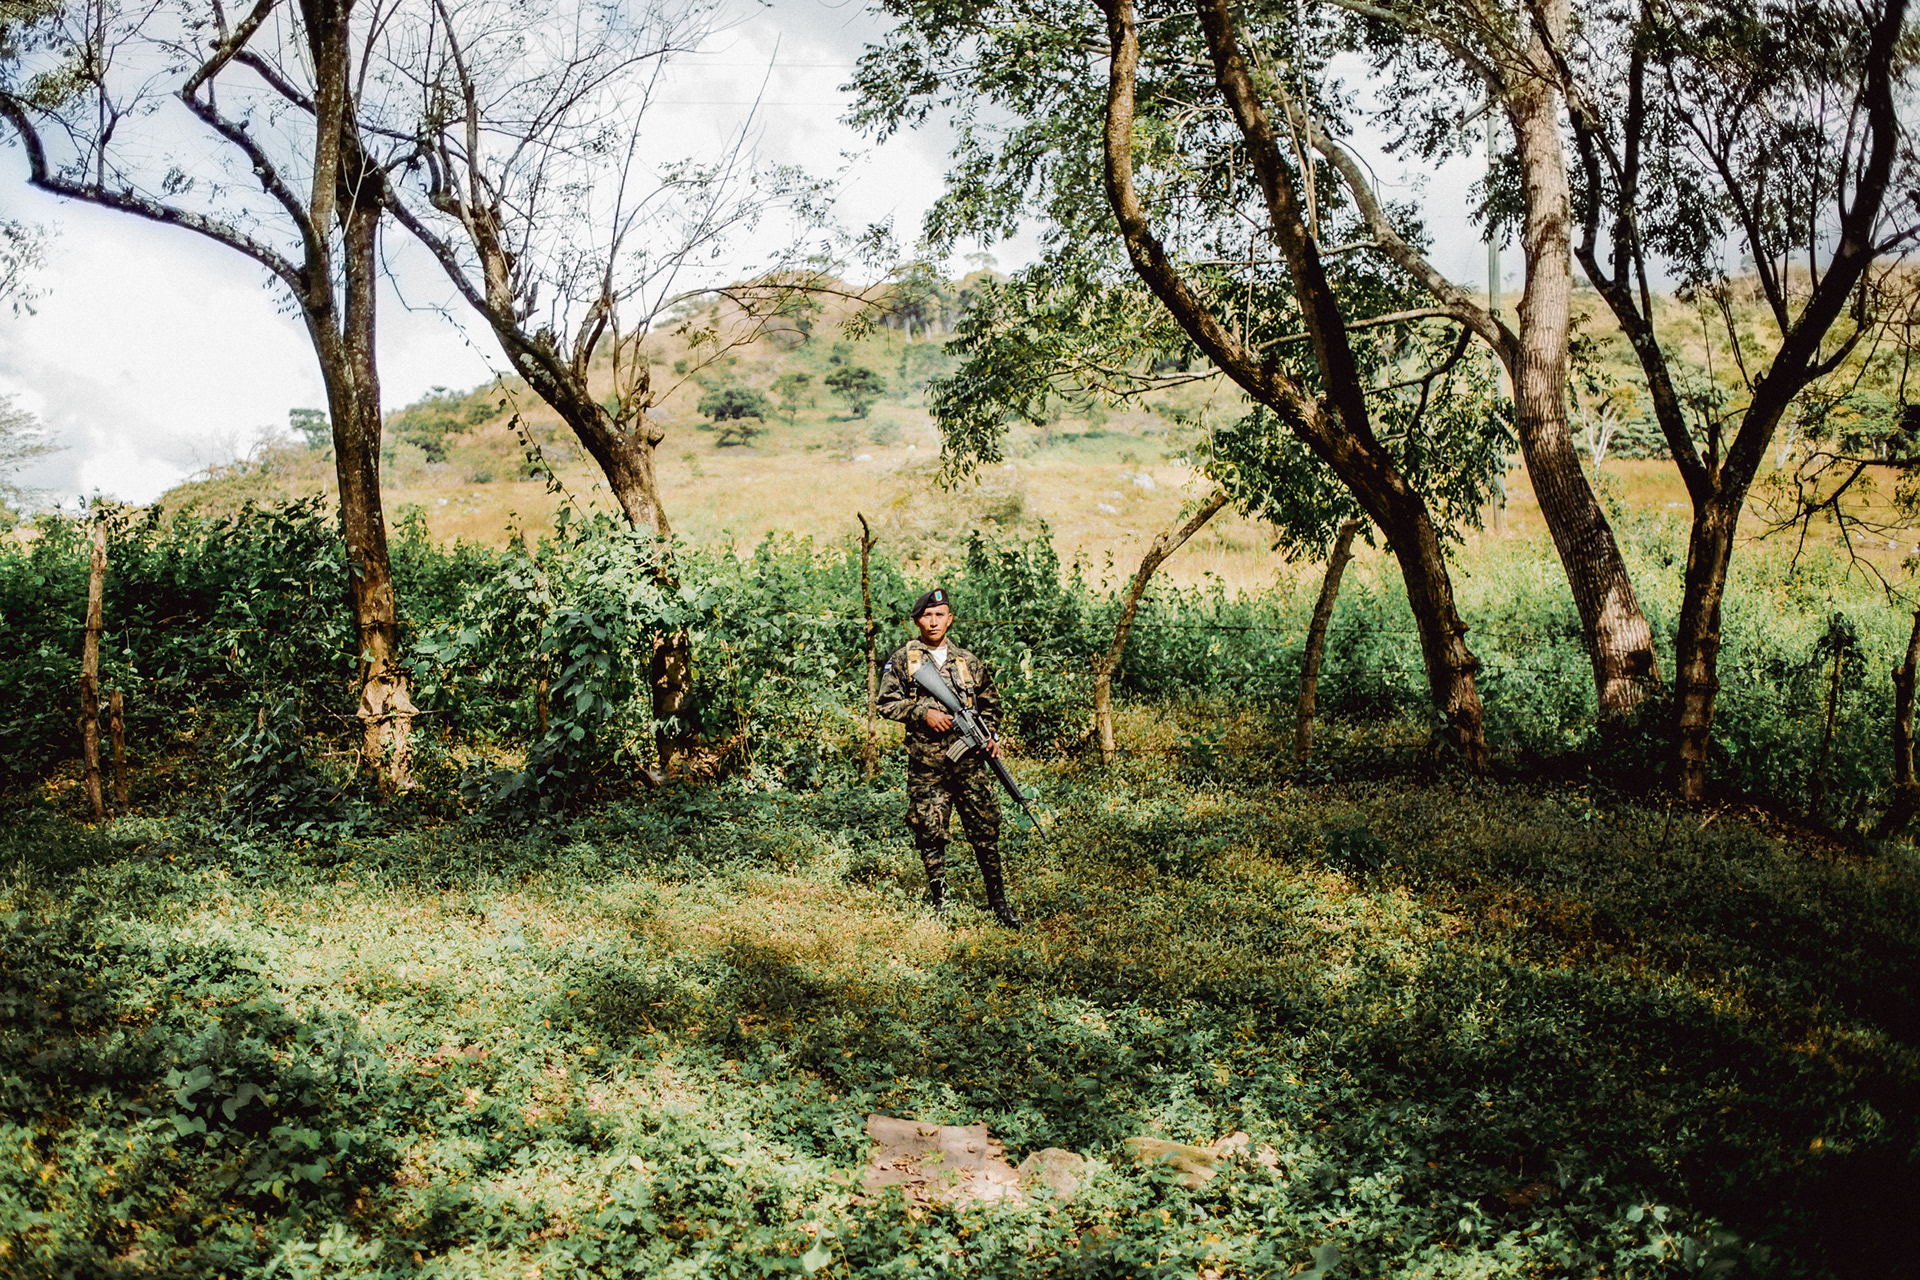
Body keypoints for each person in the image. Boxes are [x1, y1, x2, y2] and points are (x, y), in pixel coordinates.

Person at [876, 587, 1022, 929]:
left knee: (985, 830)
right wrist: (921, 714)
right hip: (928, 766)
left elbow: (991, 704)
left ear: (950, 619)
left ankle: (998, 902)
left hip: (969, 764)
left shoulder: (967, 661)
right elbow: (885, 703)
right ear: (917, 621)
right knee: (930, 831)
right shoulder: (904, 659)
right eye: (927, 615)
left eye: (939, 615)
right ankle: (940, 902)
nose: (933, 621)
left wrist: (990, 735)